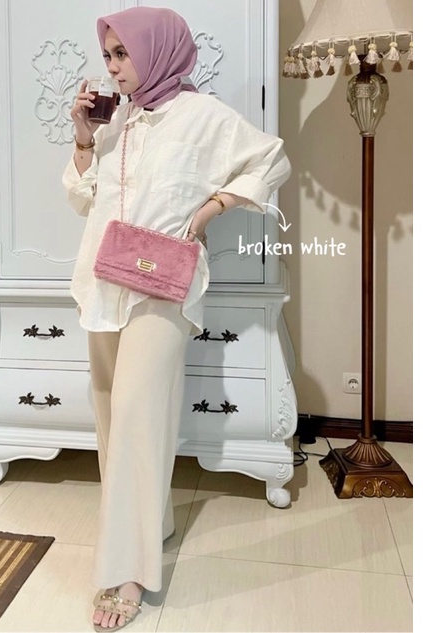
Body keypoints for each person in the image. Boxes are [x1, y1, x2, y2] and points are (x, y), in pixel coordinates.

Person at [62, 6, 291, 631]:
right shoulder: (119, 118)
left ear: (157, 50)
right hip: (104, 280)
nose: (113, 67)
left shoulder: (203, 116)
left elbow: (270, 159)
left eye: (122, 53)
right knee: (112, 417)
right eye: (108, 55)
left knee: (138, 415)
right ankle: (150, 526)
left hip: (162, 288)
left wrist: (211, 209)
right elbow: (83, 198)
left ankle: (126, 572)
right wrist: (83, 138)